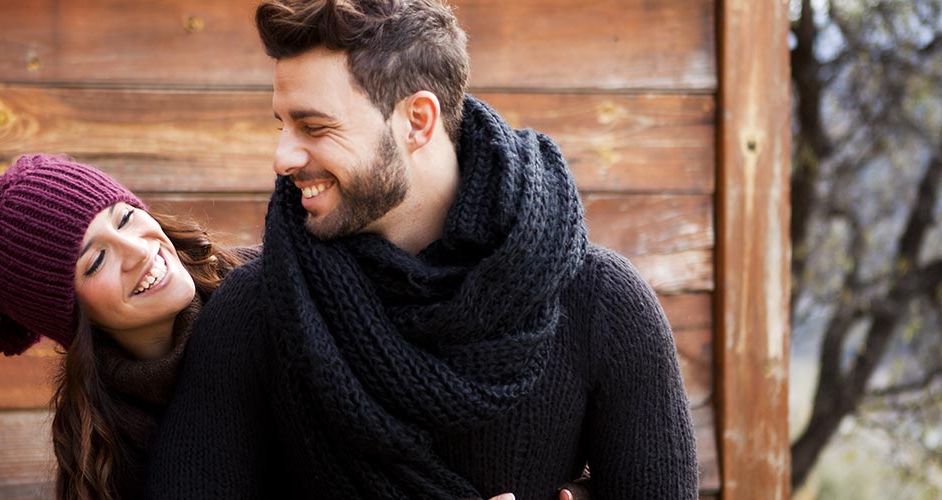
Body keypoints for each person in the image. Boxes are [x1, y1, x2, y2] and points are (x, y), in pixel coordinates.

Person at [148, 0, 700, 498]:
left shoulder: (601, 305)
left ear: (417, 121)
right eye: (282, 125)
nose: (283, 157)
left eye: (314, 127)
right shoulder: (257, 311)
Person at [0, 154, 247, 499]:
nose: (137, 250)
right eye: (97, 261)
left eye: (124, 218)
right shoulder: (103, 450)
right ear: (72, 315)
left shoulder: (276, 292)